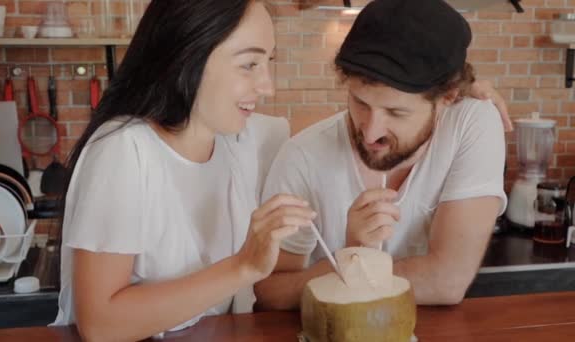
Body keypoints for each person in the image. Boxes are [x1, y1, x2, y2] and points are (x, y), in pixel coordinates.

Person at [51, 1, 316, 340]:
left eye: (269, 61)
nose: (267, 87)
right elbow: (100, 324)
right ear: (188, 55)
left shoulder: (237, 140)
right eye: (249, 64)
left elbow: (327, 135)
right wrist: (244, 265)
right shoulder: (123, 150)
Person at [254, 0, 507, 310]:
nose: (371, 133)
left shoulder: (471, 124)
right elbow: (270, 291)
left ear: (448, 98)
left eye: (395, 112)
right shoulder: (303, 157)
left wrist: (357, 271)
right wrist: (354, 254)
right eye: (360, 103)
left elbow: (448, 281)